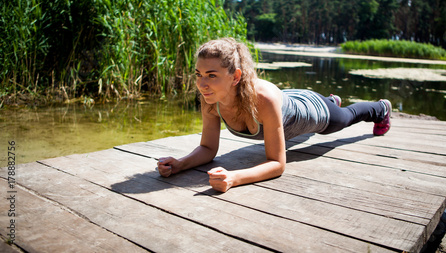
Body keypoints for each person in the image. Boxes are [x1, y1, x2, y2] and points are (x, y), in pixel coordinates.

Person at [157, 38, 391, 192]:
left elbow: (277, 164)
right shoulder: (210, 100)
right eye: (198, 74)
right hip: (285, 99)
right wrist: (180, 164)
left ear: (236, 77)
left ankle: (380, 108)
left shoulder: (262, 101)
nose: (202, 84)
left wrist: (233, 178)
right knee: (332, 113)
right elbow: (208, 149)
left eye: (211, 75)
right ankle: (331, 101)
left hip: (310, 110)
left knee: (343, 119)